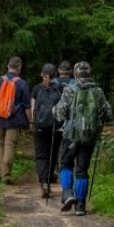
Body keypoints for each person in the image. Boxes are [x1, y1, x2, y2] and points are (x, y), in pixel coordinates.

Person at [53, 61, 112, 216]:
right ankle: (80, 205)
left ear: (75, 73)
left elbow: (60, 113)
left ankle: (68, 193)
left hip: (70, 135)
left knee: (66, 164)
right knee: (82, 170)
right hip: (89, 137)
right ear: (89, 73)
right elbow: (108, 114)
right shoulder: (98, 91)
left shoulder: (70, 89)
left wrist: (54, 110)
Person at [0, 56, 31, 184]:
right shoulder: (22, 83)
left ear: (8, 66)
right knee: (10, 145)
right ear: (19, 68)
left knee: (0, 144)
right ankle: (6, 175)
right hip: (14, 120)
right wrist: (30, 121)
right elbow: (27, 107)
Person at [31, 63, 63, 198]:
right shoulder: (60, 89)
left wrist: (33, 122)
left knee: (41, 155)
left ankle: (43, 182)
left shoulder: (36, 89)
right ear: (55, 75)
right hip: (56, 128)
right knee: (52, 154)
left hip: (40, 127)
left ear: (41, 74)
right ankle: (49, 180)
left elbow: (33, 108)